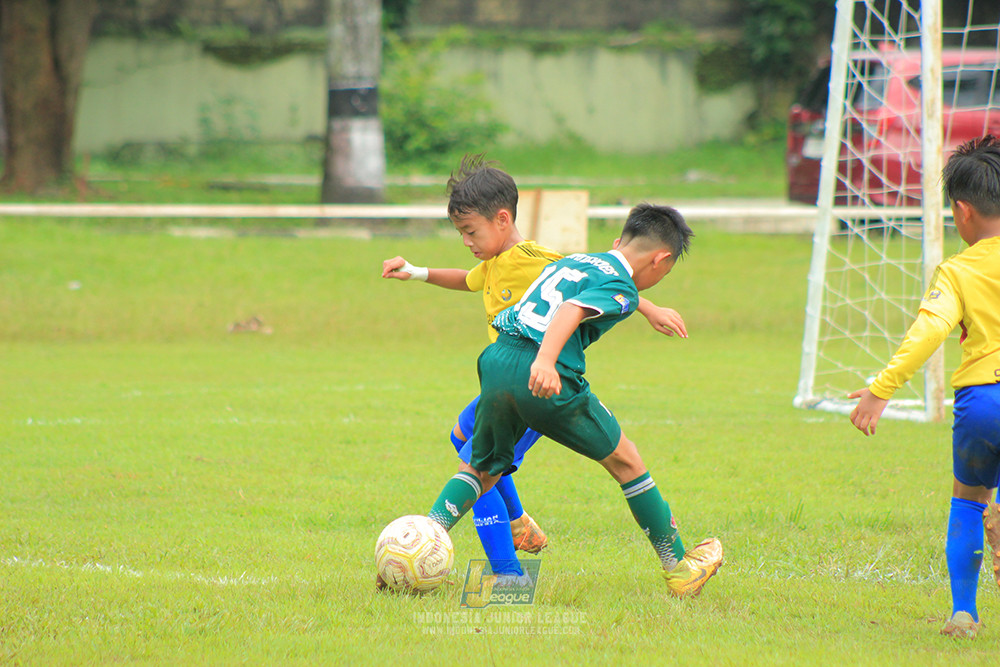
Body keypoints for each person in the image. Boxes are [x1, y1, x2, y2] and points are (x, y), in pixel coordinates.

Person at [382, 155, 689, 581]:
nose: (466, 241)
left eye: (470, 231)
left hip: (506, 366)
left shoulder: (539, 258)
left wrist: (645, 306)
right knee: (477, 451)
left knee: (475, 459)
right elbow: (579, 293)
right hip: (533, 374)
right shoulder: (498, 262)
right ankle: (505, 549)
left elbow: (586, 284)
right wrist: (417, 272)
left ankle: (468, 545)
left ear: (502, 219)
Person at [424, 202, 723, 598]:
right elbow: (572, 307)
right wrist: (546, 361)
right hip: (543, 374)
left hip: (497, 360)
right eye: (664, 273)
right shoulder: (622, 286)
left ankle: (418, 543)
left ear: (618, 242)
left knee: (481, 469)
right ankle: (679, 568)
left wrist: (645, 310)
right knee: (627, 461)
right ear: (660, 259)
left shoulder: (577, 260)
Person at [849, 135, 1000, 639]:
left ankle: (963, 613)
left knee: (968, 499)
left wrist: (881, 389)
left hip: (980, 402)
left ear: (962, 211)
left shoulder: (958, 270)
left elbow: (929, 331)